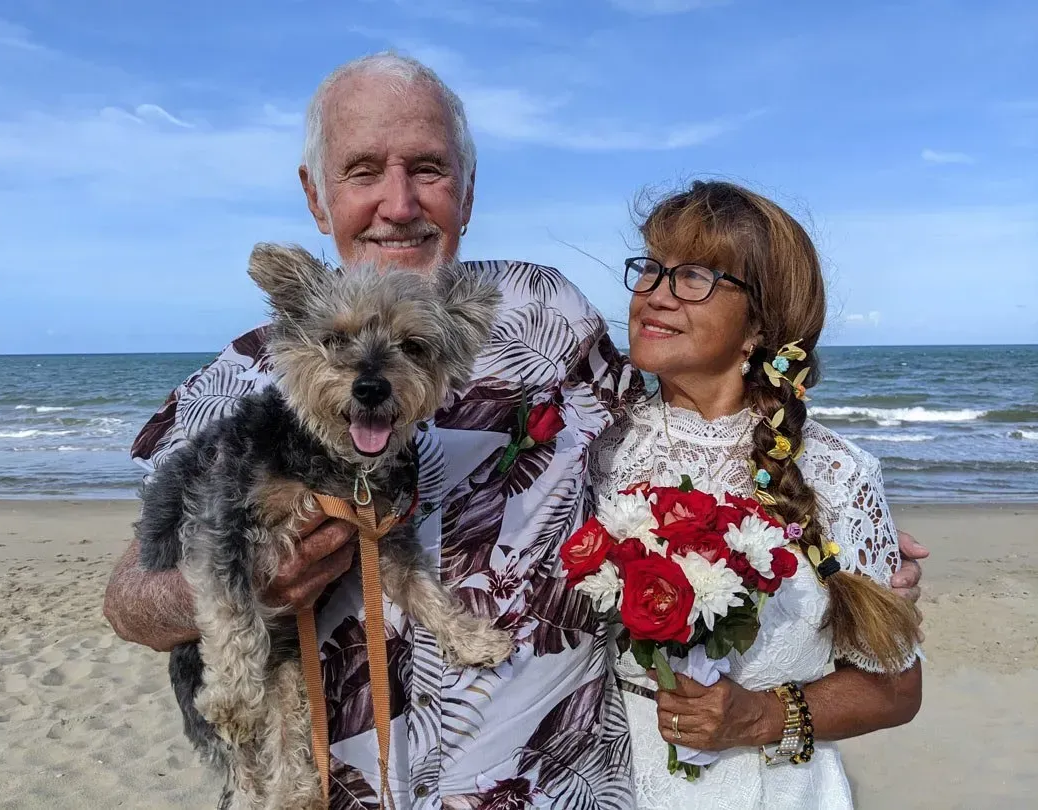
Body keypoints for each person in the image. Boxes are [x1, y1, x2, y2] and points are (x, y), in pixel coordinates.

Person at [102, 53, 928, 807]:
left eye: (428, 169)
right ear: (317, 194)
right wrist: (230, 586)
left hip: (559, 786)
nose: (400, 202)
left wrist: (821, 538)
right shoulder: (240, 378)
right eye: (363, 172)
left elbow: (692, 417)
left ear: (466, 189)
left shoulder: (550, 313)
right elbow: (128, 600)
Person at [588, 180, 923, 809]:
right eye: (652, 269)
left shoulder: (836, 474)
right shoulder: (589, 453)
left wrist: (761, 718)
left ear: (761, 324)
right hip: (609, 784)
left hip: (776, 789)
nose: (655, 296)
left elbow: (898, 690)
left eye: (695, 277)